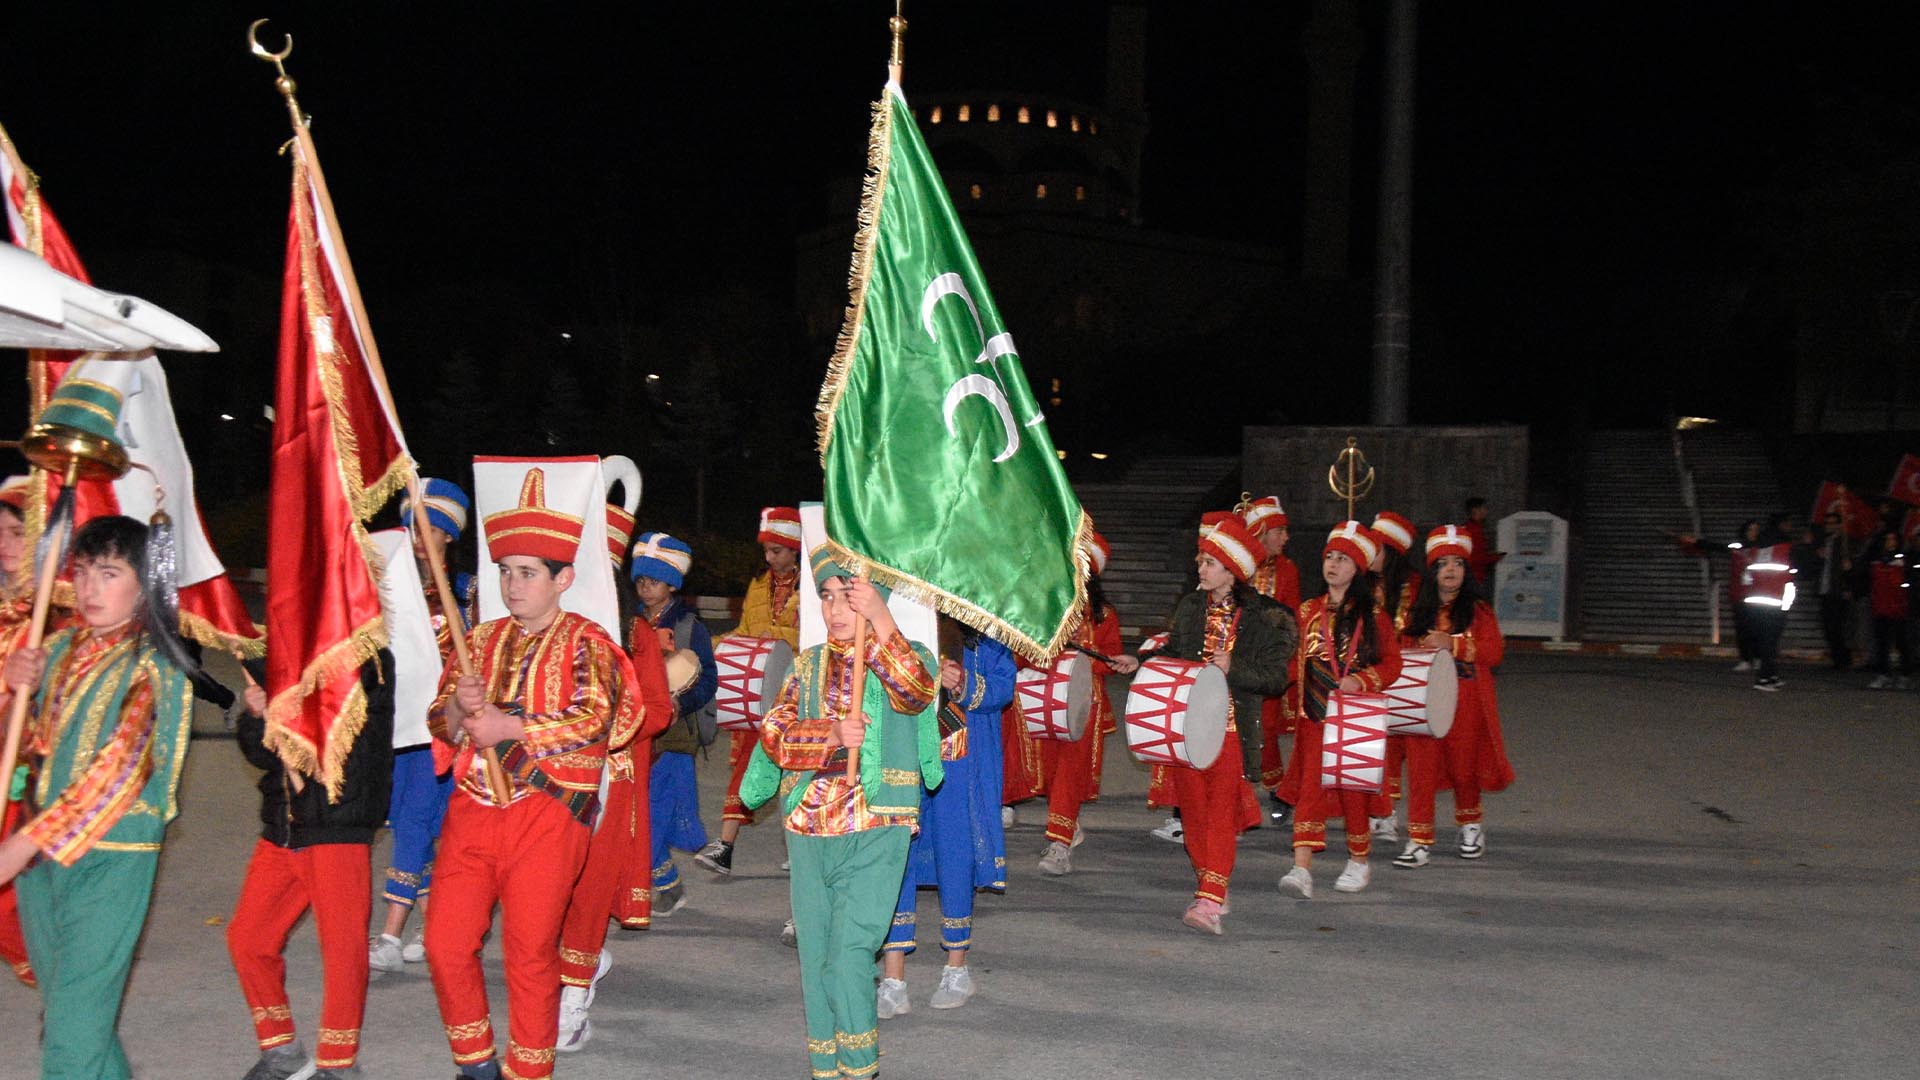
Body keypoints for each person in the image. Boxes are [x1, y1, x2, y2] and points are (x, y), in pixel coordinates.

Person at [422, 468, 645, 1080]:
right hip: (472, 810)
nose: (511, 585)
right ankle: (475, 1064)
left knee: (528, 953)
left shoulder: (588, 640)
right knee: (444, 945)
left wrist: (509, 728)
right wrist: (456, 711)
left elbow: (596, 717)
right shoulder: (480, 638)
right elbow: (437, 721)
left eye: (526, 573)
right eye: (504, 571)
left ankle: (529, 1069)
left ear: (562, 579)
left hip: (549, 816)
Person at [0, 515, 196, 1079]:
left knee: (69, 1040)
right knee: (71, 1016)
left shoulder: (157, 665)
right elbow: (28, 747)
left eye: (109, 573)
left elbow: (118, 771)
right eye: (82, 571)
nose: (88, 589)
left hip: (110, 860)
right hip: (42, 864)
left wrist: (17, 846)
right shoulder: (58, 647)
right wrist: (19, 692)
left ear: (145, 584)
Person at [737, 548, 941, 1080]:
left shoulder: (909, 653)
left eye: (847, 598)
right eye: (826, 597)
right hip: (808, 825)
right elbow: (775, 733)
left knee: (851, 948)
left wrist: (880, 619)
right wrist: (826, 735)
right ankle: (825, 1069)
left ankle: (860, 1068)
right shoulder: (807, 666)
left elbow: (916, 692)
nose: (833, 609)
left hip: (878, 824)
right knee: (817, 959)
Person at [228, 651, 394, 1080]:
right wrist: (255, 714)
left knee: (343, 952)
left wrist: (287, 703)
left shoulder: (367, 660)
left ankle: (339, 1065)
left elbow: (344, 736)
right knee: (249, 938)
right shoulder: (281, 654)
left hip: (336, 823)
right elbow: (263, 756)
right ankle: (281, 1049)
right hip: (283, 824)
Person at [553, 508, 676, 1054]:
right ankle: (573, 967)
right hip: (550, 777)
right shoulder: (549, 627)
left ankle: (574, 996)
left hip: (610, 777)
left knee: (590, 885)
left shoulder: (637, 633)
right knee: (552, 886)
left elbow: (657, 711)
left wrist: (607, 728)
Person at [1143, 512, 1294, 934]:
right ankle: (1212, 887)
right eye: (1200, 560)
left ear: (1232, 571)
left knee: (1219, 814)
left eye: (1208, 562)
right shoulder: (1191, 607)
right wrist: (1138, 661)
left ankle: (1209, 899)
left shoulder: (1269, 618)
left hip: (1231, 729)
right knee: (1193, 815)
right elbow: (1174, 653)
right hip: (1187, 727)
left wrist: (1235, 666)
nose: (1200, 567)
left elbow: (1276, 678)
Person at [879, 615, 1014, 1012]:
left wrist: (962, 683)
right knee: (896, 853)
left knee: (956, 853)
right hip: (904, 754)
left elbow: (1004, 687)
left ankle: (957, 968)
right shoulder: (899, 619)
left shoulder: (986, 632)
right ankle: (893, 976)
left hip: (958, 762)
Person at [370, 477, 472, 974]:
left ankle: (390, 933)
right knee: (415, 824)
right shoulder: (390, 592)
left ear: (449, 536)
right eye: (412, 526)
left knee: (416, 822)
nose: (416, 537)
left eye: (429, 529)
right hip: (399, 728)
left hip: (445, 732)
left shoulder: (467, 594)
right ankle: (434, 930)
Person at [1277, 521, 1403, 898]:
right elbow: (1292, 661)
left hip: (1355, 718)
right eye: (1329, 557)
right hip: (1315, 716)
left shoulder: (1374, 616)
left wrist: (1362, 681)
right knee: (1310, 791)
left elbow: (1392, 665)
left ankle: (1359, 860)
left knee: (1354, 792)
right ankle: (1301, 869)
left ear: (1358, 568)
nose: (1333, 564)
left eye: (1343, 559)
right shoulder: (1307, 611)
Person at [1393, 526, 1516, 866]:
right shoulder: (1416, 613)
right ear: (1432, 571)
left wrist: (1455, 644)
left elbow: (1494, 652)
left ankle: (1470, 824)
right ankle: (1419, 839)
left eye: (1457, 564)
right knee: (1421, 771)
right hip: (1423, 705)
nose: (1450, 570)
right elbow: (1400, 656)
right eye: (1443, 564)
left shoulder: (1479, 612)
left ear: (1466, 571)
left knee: (1465, 769)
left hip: (1466, 705)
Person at [695, 506, 803, 878]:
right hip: (758, 695)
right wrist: (711, 646)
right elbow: (744, 632)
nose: (770, 558)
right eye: (767, 551)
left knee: (798, 773)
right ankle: (724, 847)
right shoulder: (758, 587)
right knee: (746, 767)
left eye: (777, 550)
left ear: (795, 549)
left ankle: (803, 845)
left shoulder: (816, 589)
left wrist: (776, 640)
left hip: (798, 695)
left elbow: (813, 640)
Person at [629, 530, 717, 918]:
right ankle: (667, 886)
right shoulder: (629, 622)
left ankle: (663, 887)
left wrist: (681, 702)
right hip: (635, 733)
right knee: (635, 814)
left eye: (654, 581)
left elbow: (709, 680)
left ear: (672, 583)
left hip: (671, 737)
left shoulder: (688, 626)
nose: (646, 588)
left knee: (652, 814)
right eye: (641, 581)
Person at [1036, 530, 1125, 877]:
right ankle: (1067, 825)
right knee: (1052, 774)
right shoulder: (1046, 607)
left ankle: (1059, 844)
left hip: (1085, 707)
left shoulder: (1103, 615)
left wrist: (1087, 658)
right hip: (1045, 703)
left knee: (1070, 775)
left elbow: (1112, 660)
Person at [0, 475, 45, 988]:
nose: (8, 546)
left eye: (20, 533)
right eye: (3, 534)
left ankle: (50, 982)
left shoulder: (56, 617)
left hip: (27, 773)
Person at [1238, 496, 1298, 827]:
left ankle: (1277, 788)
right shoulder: (1240, 564)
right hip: (1235, 659)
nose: (1285, 538)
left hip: (1270, 663)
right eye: (1280, 531)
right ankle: (1238, 798)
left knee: (1266, 729)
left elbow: (1292, 618)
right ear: (1262, 532)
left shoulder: (1288, 571)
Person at [1368, 510, 1421, 846]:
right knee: (1375, 746)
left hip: (1407, 672)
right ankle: (1381, 813)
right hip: (1374, 672)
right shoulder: (1364, 584)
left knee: (1403, 748)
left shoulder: (1415, 586)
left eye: (1379, 548)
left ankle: (1391, 813)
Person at [1811, 510, 1858, 670]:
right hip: (1825, 589)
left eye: (1832, 523)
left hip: (1838, 590)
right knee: (1828, 626)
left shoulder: (1844, 542)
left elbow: (1850, 566)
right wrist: (1817, 556)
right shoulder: (1823, 542)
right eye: (1827, 523)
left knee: (1837, 626)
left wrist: (1849, 579)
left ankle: (1843, 658)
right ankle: (1838, 657)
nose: (1829, 526)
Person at [1866, 530, 1913, 690]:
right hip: (1880, 608)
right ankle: (1883, 674)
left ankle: (1904, 675)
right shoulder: (1876, 561)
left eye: (1893, 538)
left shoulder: (1904, 561)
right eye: (1887, 539)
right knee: (1882, 644)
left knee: (1902, 644)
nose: (1890, 542)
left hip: (1900, 608)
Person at [1462, 497, 1500, 586]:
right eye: (1484, 508)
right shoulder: (1474, 530)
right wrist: (1496, 557)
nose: (1486, 512)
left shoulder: (1469, 528)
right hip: (1475, 577)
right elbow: (1477, 557)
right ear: (1476, 510)